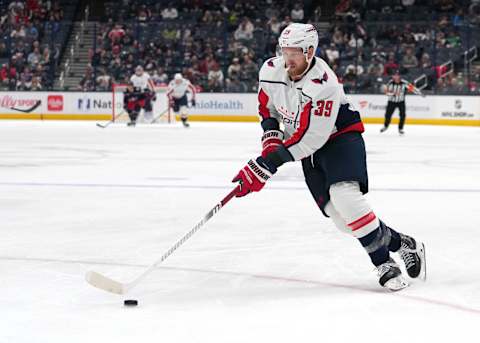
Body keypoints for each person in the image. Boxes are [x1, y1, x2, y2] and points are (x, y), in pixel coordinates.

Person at [231, 23, 426, 291]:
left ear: (310, 51)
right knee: (341, 218)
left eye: (294, 53)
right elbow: (268, 109)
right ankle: (403, 242)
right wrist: (271, 142)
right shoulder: (269, 70)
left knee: (346, 197)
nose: (287, 60)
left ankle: (383, 263)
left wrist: (267, 164)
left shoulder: (324, 83)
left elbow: (312, 138)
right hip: (304, 143)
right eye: (284, 51)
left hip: (338, 138)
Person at [380, 70, 424, 135]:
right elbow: (386, 93)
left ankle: (400, 129)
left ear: (399, 76)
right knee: (388, 115)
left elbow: (412, 88)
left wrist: (420, 93)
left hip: (401, 101)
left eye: (397, 75)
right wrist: (393, 94)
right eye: (394, 75)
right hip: (391, 101)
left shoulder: (404, 83)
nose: (395, 77)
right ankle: (386, 126)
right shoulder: (390, 83)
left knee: (402, 115)